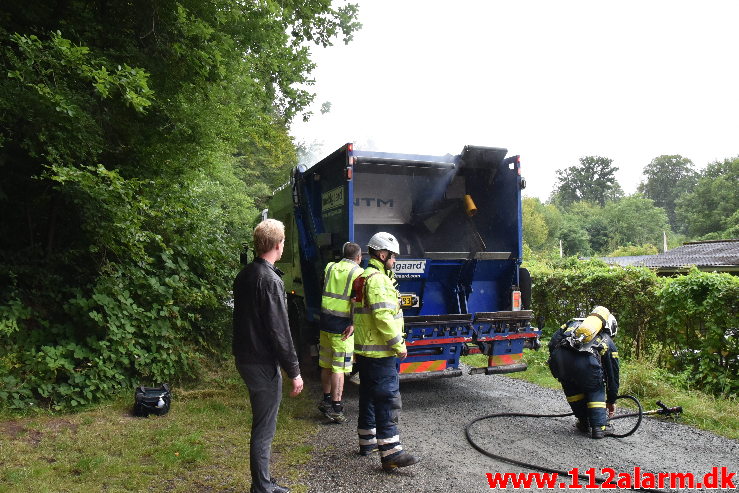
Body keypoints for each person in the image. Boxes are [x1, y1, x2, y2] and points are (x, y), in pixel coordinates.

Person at [233, 218, 304, 493]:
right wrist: (294, 371)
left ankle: (262, 479)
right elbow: (280, 332)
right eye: (284, 241)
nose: (284, 246)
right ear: (277, 245)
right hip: (261, 361)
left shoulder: (245, 274)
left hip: (245, 356)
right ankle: (261, 486)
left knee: (263, 422)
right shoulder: (270, 280)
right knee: (264, 426)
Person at [352, 232, 420, 471]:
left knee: (369, 396)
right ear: (382, 254)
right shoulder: (379, 280)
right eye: (393, 256)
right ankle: (391, 452)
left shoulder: (365, 275)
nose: (395, 260)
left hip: (367, 351)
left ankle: (367, 441)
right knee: (387, 399)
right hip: (381, 353)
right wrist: (398, 345)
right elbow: (383, 316)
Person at [548, 305, 620, 439]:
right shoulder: (607, 340)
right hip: (587, 366)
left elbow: (552, 342)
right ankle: (599, 427)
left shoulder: (572, 323)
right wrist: (611, 399)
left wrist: (557, 361)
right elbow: (612, 375)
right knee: (596, 388)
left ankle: (583, 422)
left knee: (570, 385)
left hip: (561, 362)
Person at [318, 242, 363, 423]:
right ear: (358, 257)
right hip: (342, 327)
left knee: (326, 364)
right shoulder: (357, 273)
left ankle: (326, 400)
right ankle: (336, 409)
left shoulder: (330, 267)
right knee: (339, 368)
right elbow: (355, 301)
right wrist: (353, 323)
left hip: (325, 322)